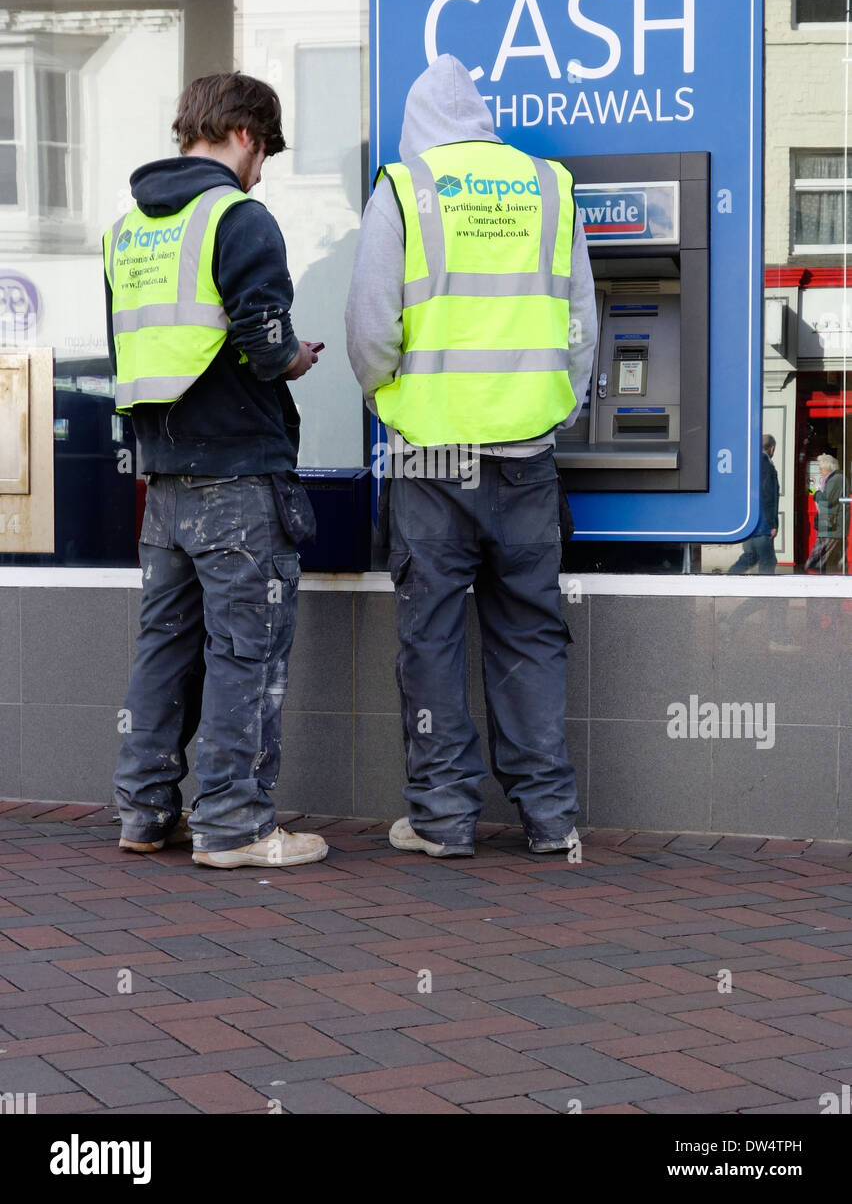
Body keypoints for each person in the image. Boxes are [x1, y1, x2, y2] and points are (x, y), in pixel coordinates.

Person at [345, 54, 597, 858]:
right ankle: (551, 818)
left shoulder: (405, 189)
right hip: (527, 455)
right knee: (529, 630)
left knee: (433, 634)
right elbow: (582, 329)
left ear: (418, 126)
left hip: (429, 458)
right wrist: (555, 410)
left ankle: (444, 819)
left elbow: (370, 328)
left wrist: (390, 399)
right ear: (483, 119)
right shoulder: (550, 188)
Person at [105, 72, 328, 869]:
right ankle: (235, 825)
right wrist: (295, 359)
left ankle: (144, 811)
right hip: (237, 476)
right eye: (264, 151)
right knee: (248, 651)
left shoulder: (128, 230)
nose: (262, 169)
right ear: (244, 136)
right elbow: (264, 340)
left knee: (164, 647)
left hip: (162, 480)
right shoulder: (238, 217)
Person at [727, 432, 779, 573]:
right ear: (772, 448)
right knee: (768, 561)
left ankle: (730, 576)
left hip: (750, 523)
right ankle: (764, 591)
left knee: (750, 555)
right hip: (763, 525)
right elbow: (768, 495)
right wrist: (772, 524)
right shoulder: (767, 465)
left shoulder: (749, 463)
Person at [805, 453, 847, 574]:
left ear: (828, 467)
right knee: (823, 545)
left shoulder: (835, 479)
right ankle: (815, 567)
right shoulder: (829, 479)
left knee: (822, 545)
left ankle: (811, 567)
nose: (819, 470)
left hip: (832, 520)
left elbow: (827, 499)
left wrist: (816, 494)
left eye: (821, 468)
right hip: (829, 519)